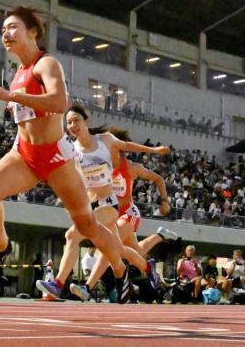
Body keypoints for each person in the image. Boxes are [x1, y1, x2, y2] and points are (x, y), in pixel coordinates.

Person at [0, 8, 131, 299]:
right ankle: (2, 246)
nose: (5, 34)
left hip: (57, 159)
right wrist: (14, 103)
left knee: (87, 224)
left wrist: (11, 96)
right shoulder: (19, 72)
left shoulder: (46, 63)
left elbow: (59, 102)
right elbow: (29, 110)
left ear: (33, 32)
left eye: (12, 27)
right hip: (24, 154)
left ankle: (120, 270)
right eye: (3, 30)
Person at [36, 107, 168, 300]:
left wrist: (154, 150)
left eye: (76, 120)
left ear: (86, 120)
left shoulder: (105, 140)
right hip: (89, 205)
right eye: (69, 122)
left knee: (72, 235)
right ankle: (149, 269)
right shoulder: (71, 149)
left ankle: (57, 284)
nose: (72, 125)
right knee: (118, 250)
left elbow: (127, 145)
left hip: (108, 205)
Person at [69, 124, 179, 302]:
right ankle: (158, 242)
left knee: (108, 248)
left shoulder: (130, 167)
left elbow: (158, 179)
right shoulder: (98, 165)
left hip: (128, 213)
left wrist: (165, 200)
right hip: (109, 214)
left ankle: (87, 287)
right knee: (132, 251)